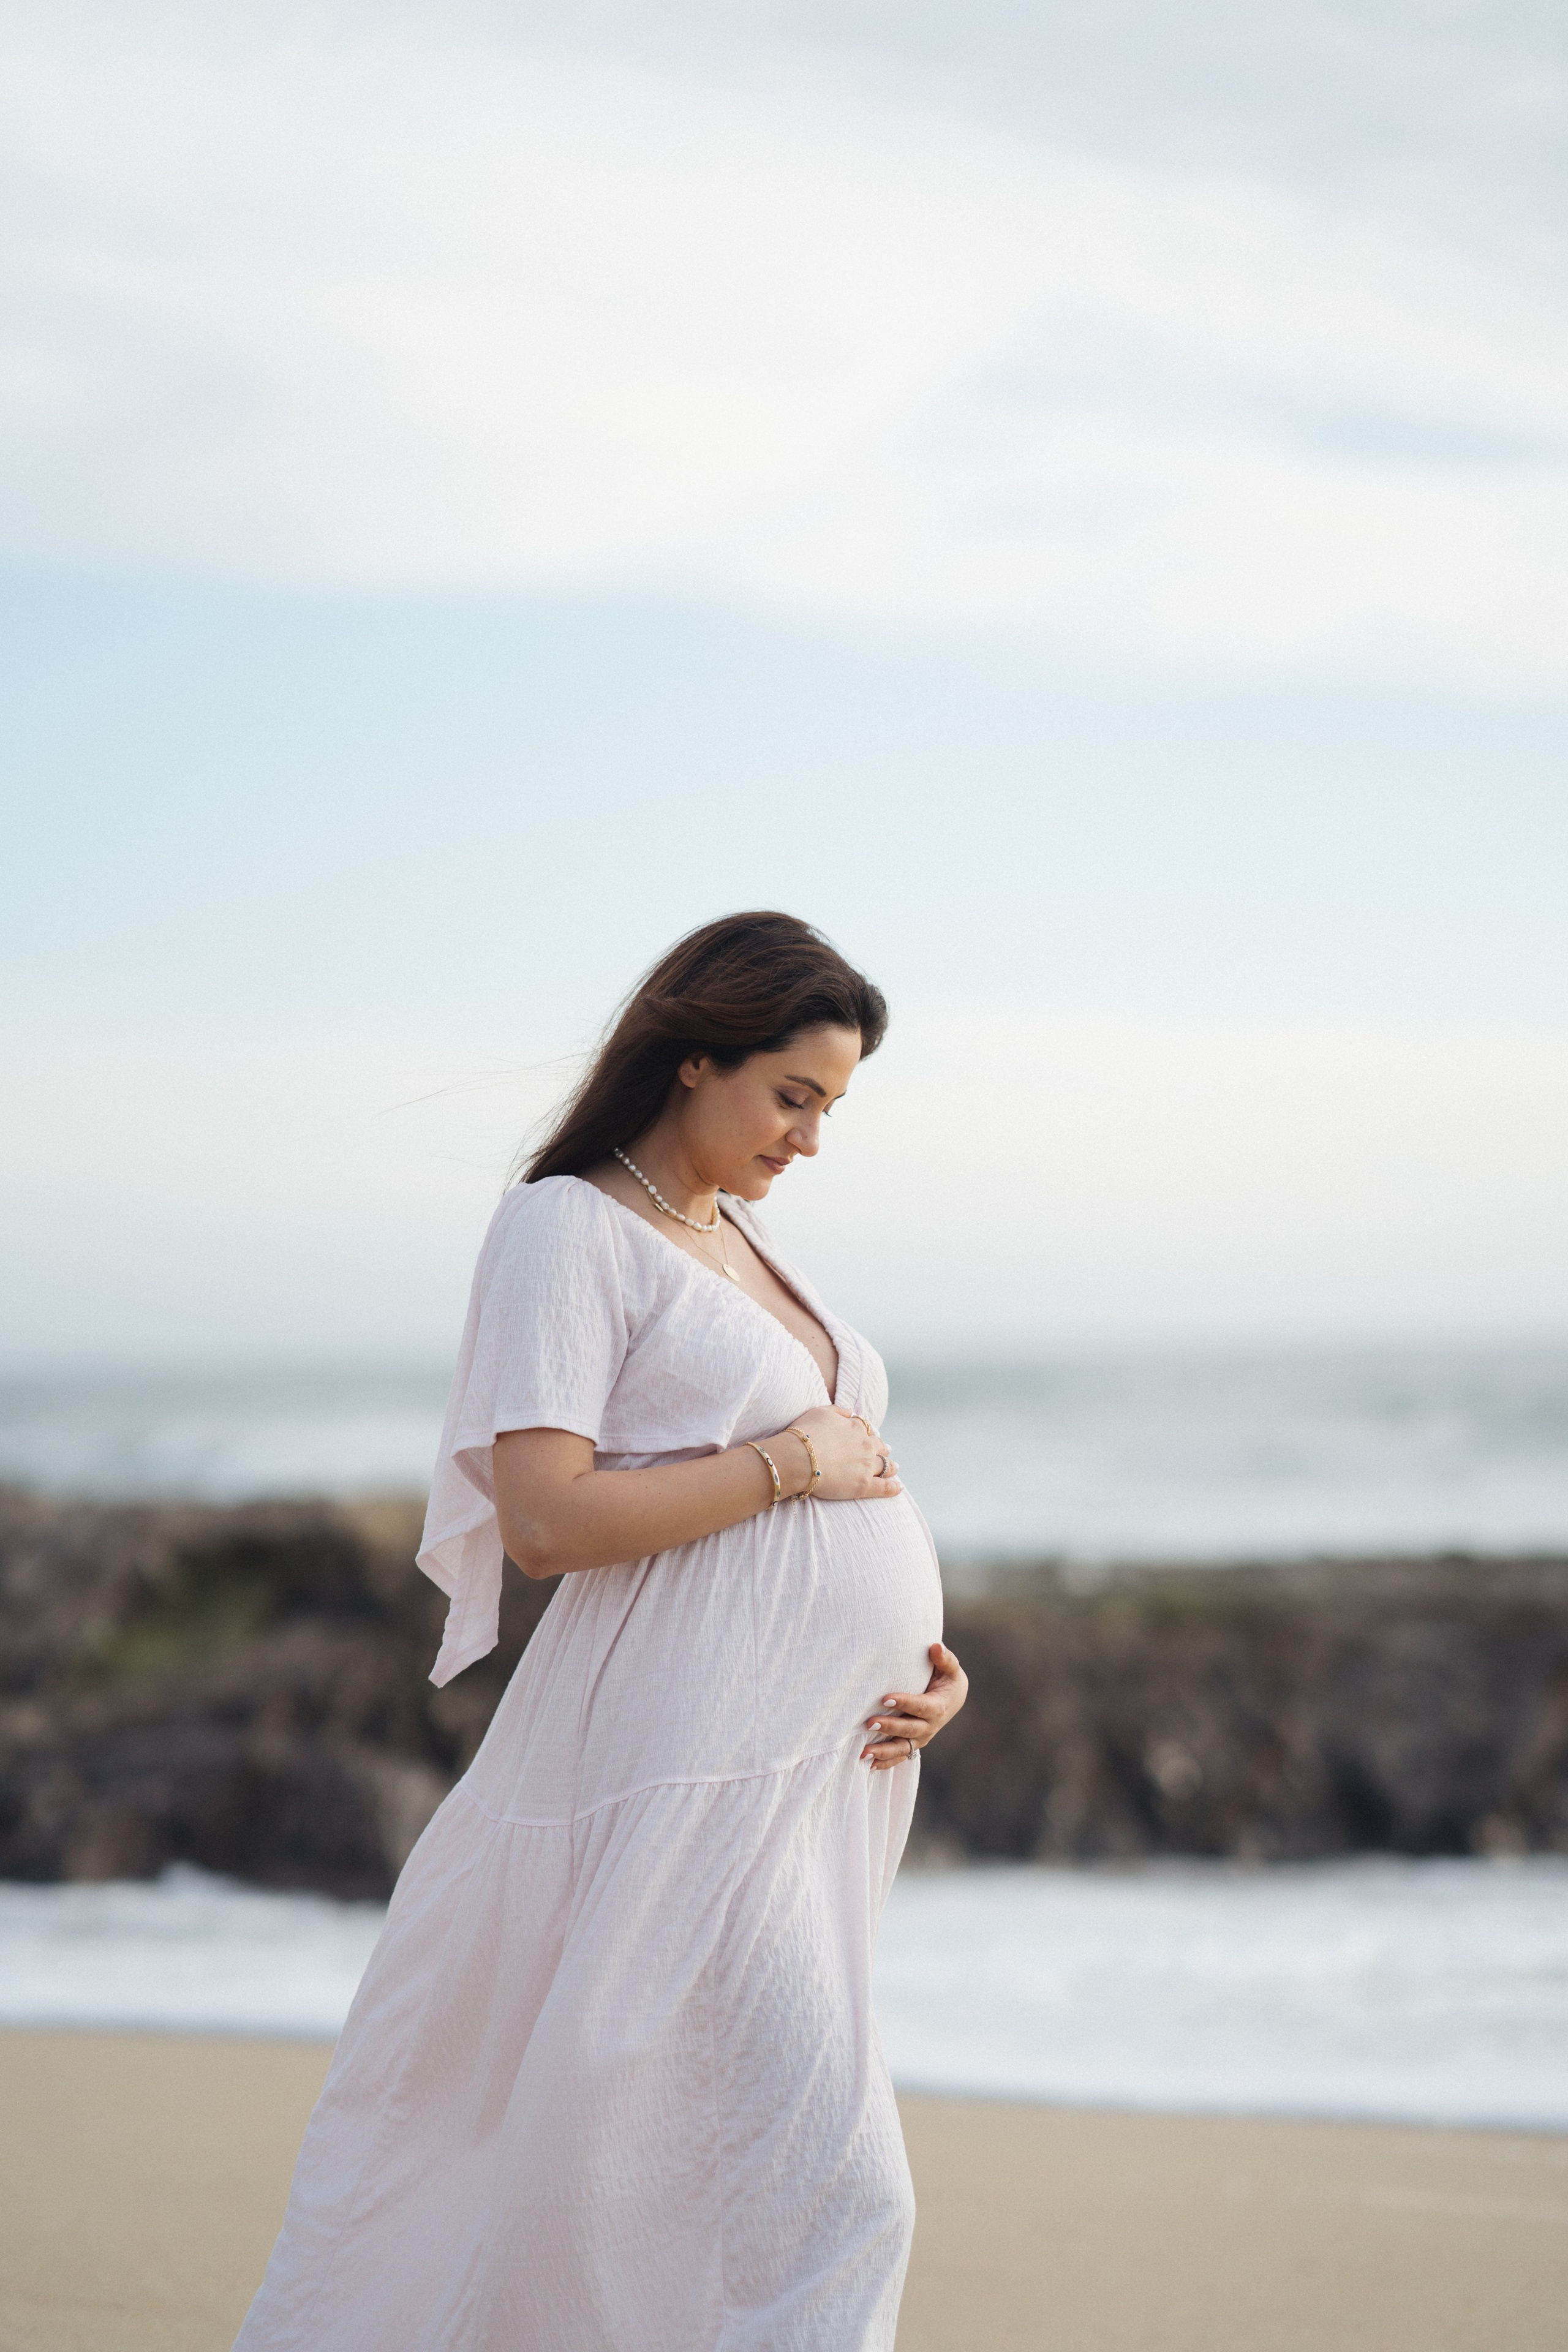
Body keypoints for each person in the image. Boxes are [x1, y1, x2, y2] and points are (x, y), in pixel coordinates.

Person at [233, 910, 968, 2351]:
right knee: (823, 2188)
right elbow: (548, 1519)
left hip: (815, 1776)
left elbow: (842, 1475)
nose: (811, 1138)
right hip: (682, 1764)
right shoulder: (566, 1226)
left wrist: (924, 1665)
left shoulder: (742, 1236)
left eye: (832, 1106)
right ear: (696, 1057)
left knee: (672, 2176)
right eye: (792, 1095)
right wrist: (789, 1467)